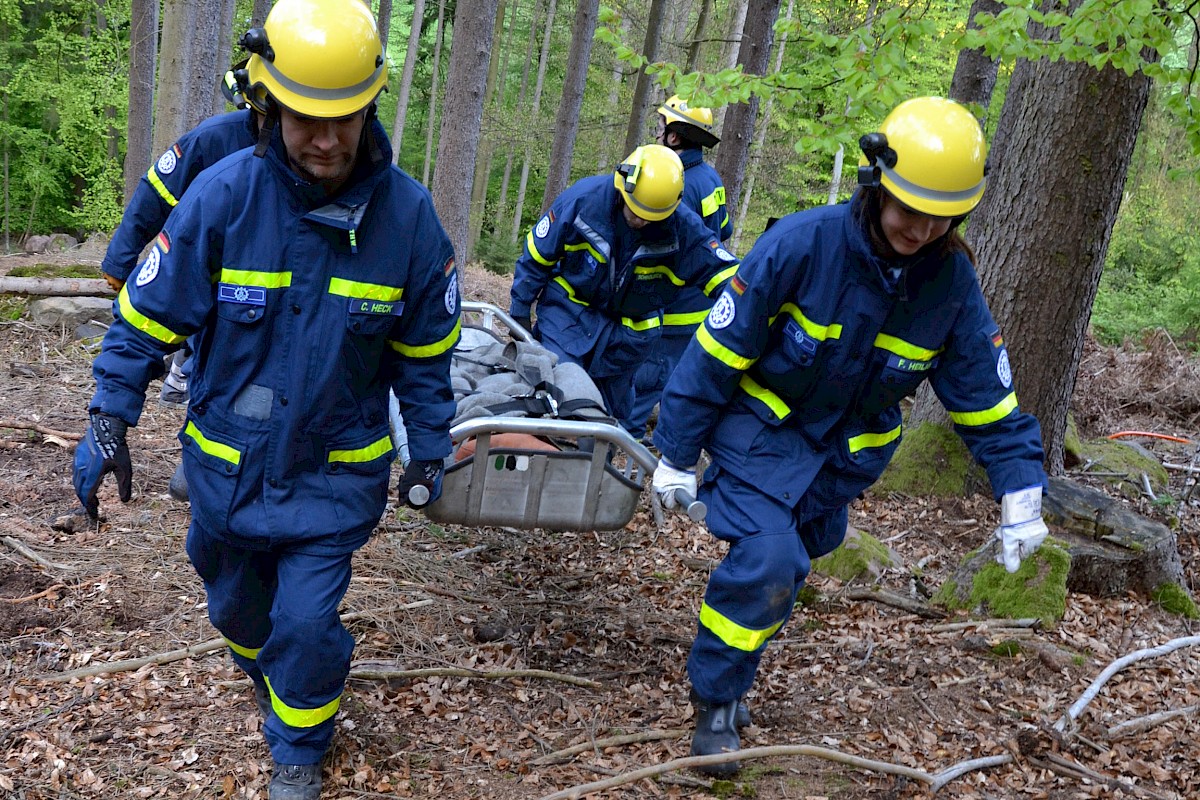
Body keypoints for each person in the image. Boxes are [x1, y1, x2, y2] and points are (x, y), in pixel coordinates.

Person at [72, 1, 460, 797]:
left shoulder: (410, 221)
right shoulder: (223, 197)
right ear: (270, 104)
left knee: (308, 626)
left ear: (370, 104)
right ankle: (275, 678)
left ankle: (299, 750)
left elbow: (425, 358)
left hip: (333, 477)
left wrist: (431, 445)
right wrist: (110, 416)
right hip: (226, 472)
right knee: (236, 612)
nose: (326, 140)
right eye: (304, 119)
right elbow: (146, 320)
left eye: (343, 119)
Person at [650, 96, 1050, 774]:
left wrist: (1021, 493)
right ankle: (714, 704)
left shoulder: (950, 286)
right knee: (771, 563)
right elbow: (715, 354)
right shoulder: (801, 244)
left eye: (939, 216)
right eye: (908, 209)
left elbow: (987, 401)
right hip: (758, 438)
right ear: (877, 185)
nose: (921, 229)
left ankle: (735, 664)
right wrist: (676, 455)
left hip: (836, 468)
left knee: (797, 559)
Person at [101, 70, 267, 500]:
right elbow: (154, 193)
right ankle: (200, 462)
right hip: (208, 272)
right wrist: (120, 259)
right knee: (214, 359)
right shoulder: (213, 139)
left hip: (275, 281)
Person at [509, 143, 739, 422]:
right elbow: (536, 255)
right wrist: (520, 311)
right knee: (561, 403)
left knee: (610, 422)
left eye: (649, 217)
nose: (640, 220)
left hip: (627, 343)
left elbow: (729, 280)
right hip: (567, 322)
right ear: (623, 186)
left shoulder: (684, 230)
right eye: (635, 211)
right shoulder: (583, 201)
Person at [622, 96, 732, 441]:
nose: (658, 131)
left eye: (663, 125)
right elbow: (723, 230)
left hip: (673, 309)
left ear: (674, 137)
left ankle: (623, 452)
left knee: (644, 385)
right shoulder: (712, 179)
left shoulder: (674, 185)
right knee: (672, 385)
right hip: (698, 307)